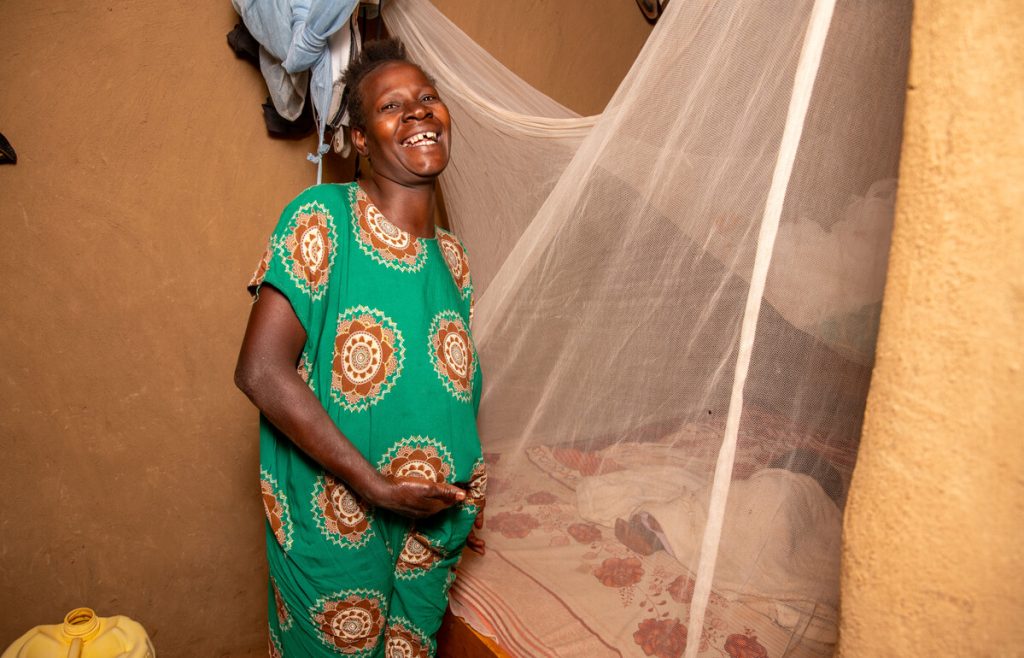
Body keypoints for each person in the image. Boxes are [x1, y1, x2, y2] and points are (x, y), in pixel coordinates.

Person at [235, 39, 486, 658]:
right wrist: (374, 486)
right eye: (392, 106)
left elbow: (449, 388)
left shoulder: (453, 257)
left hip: (432, 532)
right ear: (360, 140)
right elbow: (261, 372)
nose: (419, 113)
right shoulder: (322, 218)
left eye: (427, 99)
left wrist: (467, 492)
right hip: (338, 525)